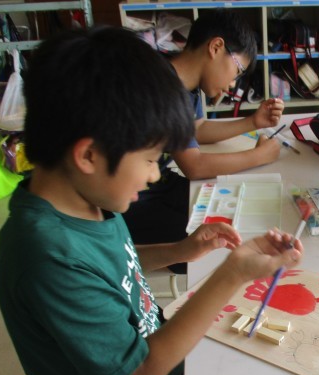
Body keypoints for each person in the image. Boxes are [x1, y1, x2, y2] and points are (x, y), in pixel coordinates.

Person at [0, 26, 302, 375]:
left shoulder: (86, 199)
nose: (156, 175)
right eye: (149, 159)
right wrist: (231, 275)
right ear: (89, 155)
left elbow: (115, 262)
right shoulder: (45, 257)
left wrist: (181, 249)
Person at [122, 9, 286, 258]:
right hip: (135, 200)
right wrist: (260, 156)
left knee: (230, 212)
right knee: (219, 246)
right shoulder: (164, 88)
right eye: (238, 70)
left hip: (160, 185)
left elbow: (196, 129)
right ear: (216, 47)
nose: (233, 84)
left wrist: (253, 122)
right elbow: (194, 166)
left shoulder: (185, 83)